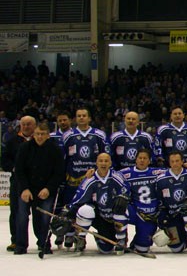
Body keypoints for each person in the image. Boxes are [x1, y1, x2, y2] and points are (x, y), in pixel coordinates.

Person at [54, 153, 130, 254]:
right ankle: (81, 238)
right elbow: (79, 198)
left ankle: (121, 238)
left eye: (106, 161)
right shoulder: (90, 179)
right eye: (101, 161)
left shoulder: (117, 176)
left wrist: (123, 196)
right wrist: (67, 210)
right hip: (99, 217)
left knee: (106, 249)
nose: (103, 163)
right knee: (85, 209)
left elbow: (126, 189)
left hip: (112, 217)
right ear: (96, 163)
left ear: (110, 163)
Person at [59, 108, 110, 248]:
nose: (81, 118)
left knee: (88, 209)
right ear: (75, 119)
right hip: (72, 180)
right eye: (79, 116)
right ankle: (69, 234)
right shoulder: (68, 135)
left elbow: (105, 156)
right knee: (71, 207)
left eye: (84, 116)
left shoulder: (99, 135)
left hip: (93, 181)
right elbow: (63, 158)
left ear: (89, 118)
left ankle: (81, 235)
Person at [12, 123, 64, 255]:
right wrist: (24, 188)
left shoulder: (55, 150)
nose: (40, 137)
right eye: (37, 134)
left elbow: (58, 173)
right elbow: (19, 170)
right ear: (33, 135)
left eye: (42, 134)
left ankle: (43, 243)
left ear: (48, 135)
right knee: (22, 216)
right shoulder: (25, 148)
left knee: (45, 217)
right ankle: (21, 244)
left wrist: (48, 188)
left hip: (46, 190)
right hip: (26, 189)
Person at [119, 149, 166, 254]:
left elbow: (175, 170)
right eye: (140, 158)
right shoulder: (125, 173)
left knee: (143, 249)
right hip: (135, 212)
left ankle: (137, 241)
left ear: (149, 161)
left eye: (145, 158)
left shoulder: (156, 172)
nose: (142, 160)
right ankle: (121, 238)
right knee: (120, 208)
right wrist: (91, 173)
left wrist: (184, 165)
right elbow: (108, 174)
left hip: (151, 215)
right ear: (135, 160)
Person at [154, 152, 187, 252]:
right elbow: (159, 200)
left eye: (177, 161)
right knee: (177, 248)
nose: (175, 164)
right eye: (172, 161)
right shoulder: (161, 179)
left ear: (182, 162)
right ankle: (185, 239)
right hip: (173, 215)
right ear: (169, 163)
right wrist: (162, 216)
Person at [2, 115, 35, 252]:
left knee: (38, 214)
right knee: (17, 211)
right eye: (24, 124)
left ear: (34, 125)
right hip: (18, 182)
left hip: (37, 182)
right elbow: (4, 160)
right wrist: (13, 167)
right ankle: (16, 240)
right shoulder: (13, 141)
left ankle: (42, 240)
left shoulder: (40, 139)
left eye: (29, 124)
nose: (26, 126)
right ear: (20, 126)